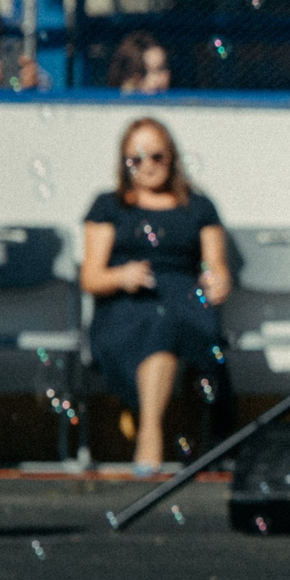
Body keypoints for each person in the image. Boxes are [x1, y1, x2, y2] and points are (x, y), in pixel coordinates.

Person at [80, 118, 231, 476]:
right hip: (125, 304)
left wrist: (218, 281)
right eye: (136, 159)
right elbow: (91, 276)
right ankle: (150, 432)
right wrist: (121, 275)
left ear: (172, 157)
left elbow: (216, 266)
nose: (147, 165)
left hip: (184, 300)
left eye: (156, 156)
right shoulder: (108, 206)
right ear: (124, 163)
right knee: (160, 323)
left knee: (168, 320)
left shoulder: (199, 207)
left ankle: (149, 433)